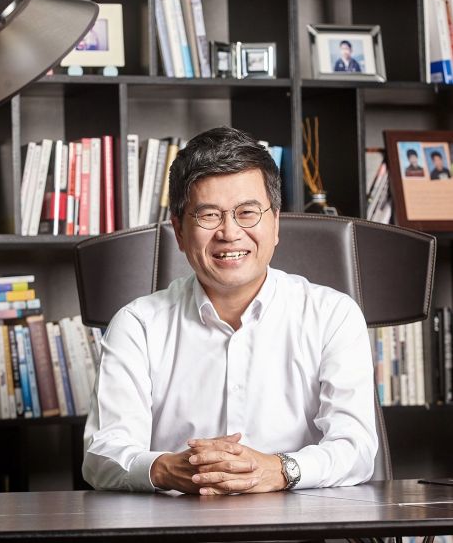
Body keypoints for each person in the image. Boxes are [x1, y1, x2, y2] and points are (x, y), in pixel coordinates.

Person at [83, 127, 377, 494]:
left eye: (247, 213)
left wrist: (280, 469)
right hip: (176, 521)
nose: (230, 232)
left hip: (300, 521)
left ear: (275, 223)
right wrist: (165, 469)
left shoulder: (333, 316)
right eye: (208, 215)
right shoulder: (137, 325)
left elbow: (355, 448)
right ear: (179, 231)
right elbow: (102, 454)